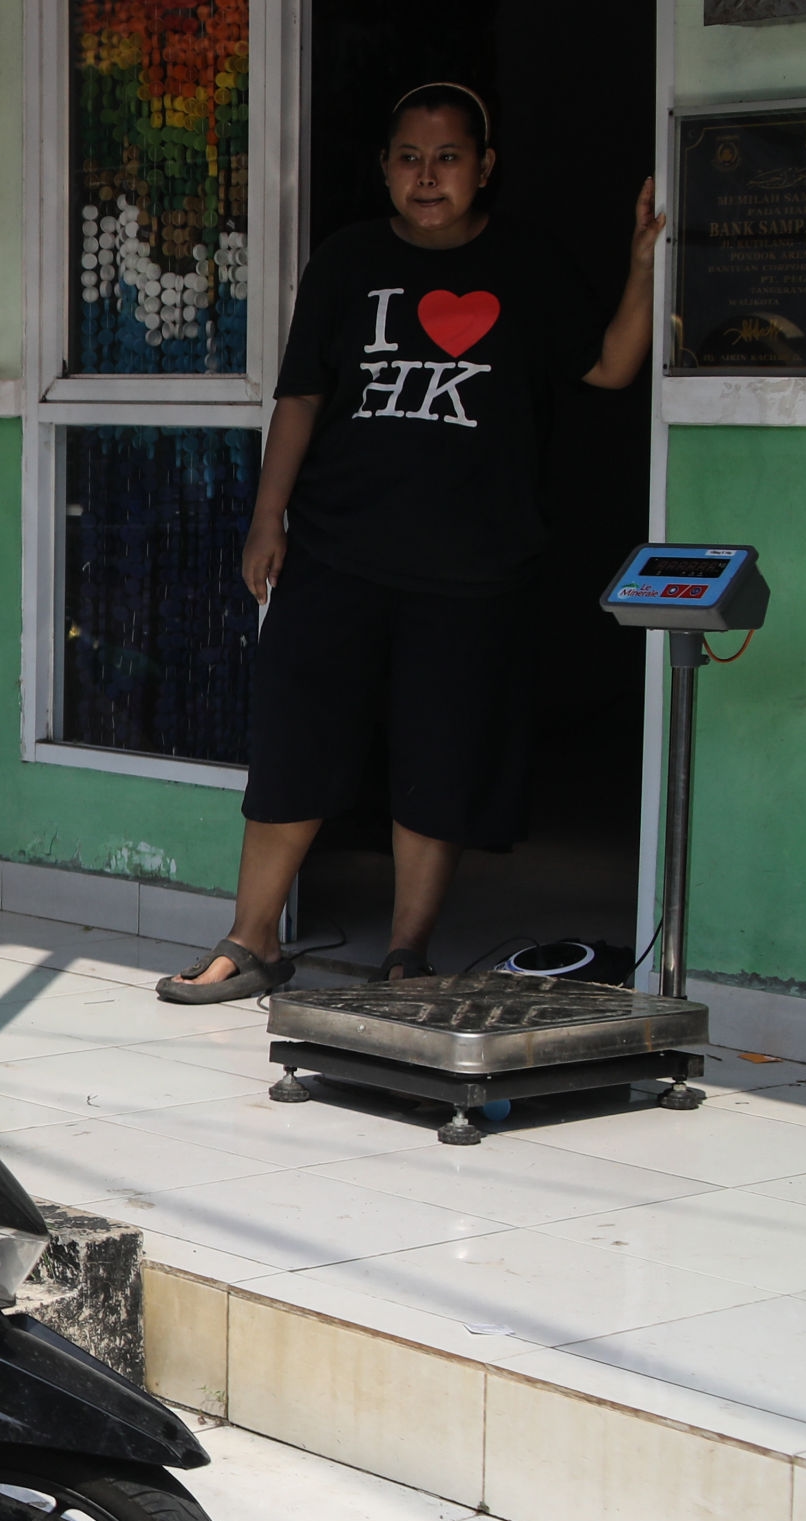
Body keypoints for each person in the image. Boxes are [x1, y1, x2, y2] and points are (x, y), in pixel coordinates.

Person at [159, 82, 664, 1003]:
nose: (427, 177)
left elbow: (609, 367)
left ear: (485, 167)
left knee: (439, 761)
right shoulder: (348, 260)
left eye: (448, 158)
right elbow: (302, 395)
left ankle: (405, 955)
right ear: (385, 166)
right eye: (408, 157)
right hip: (335, 548)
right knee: (295, 746)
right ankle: (252, 939)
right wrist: (268, 518)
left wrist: (642, 265)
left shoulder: (529, 263)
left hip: (473, 566)